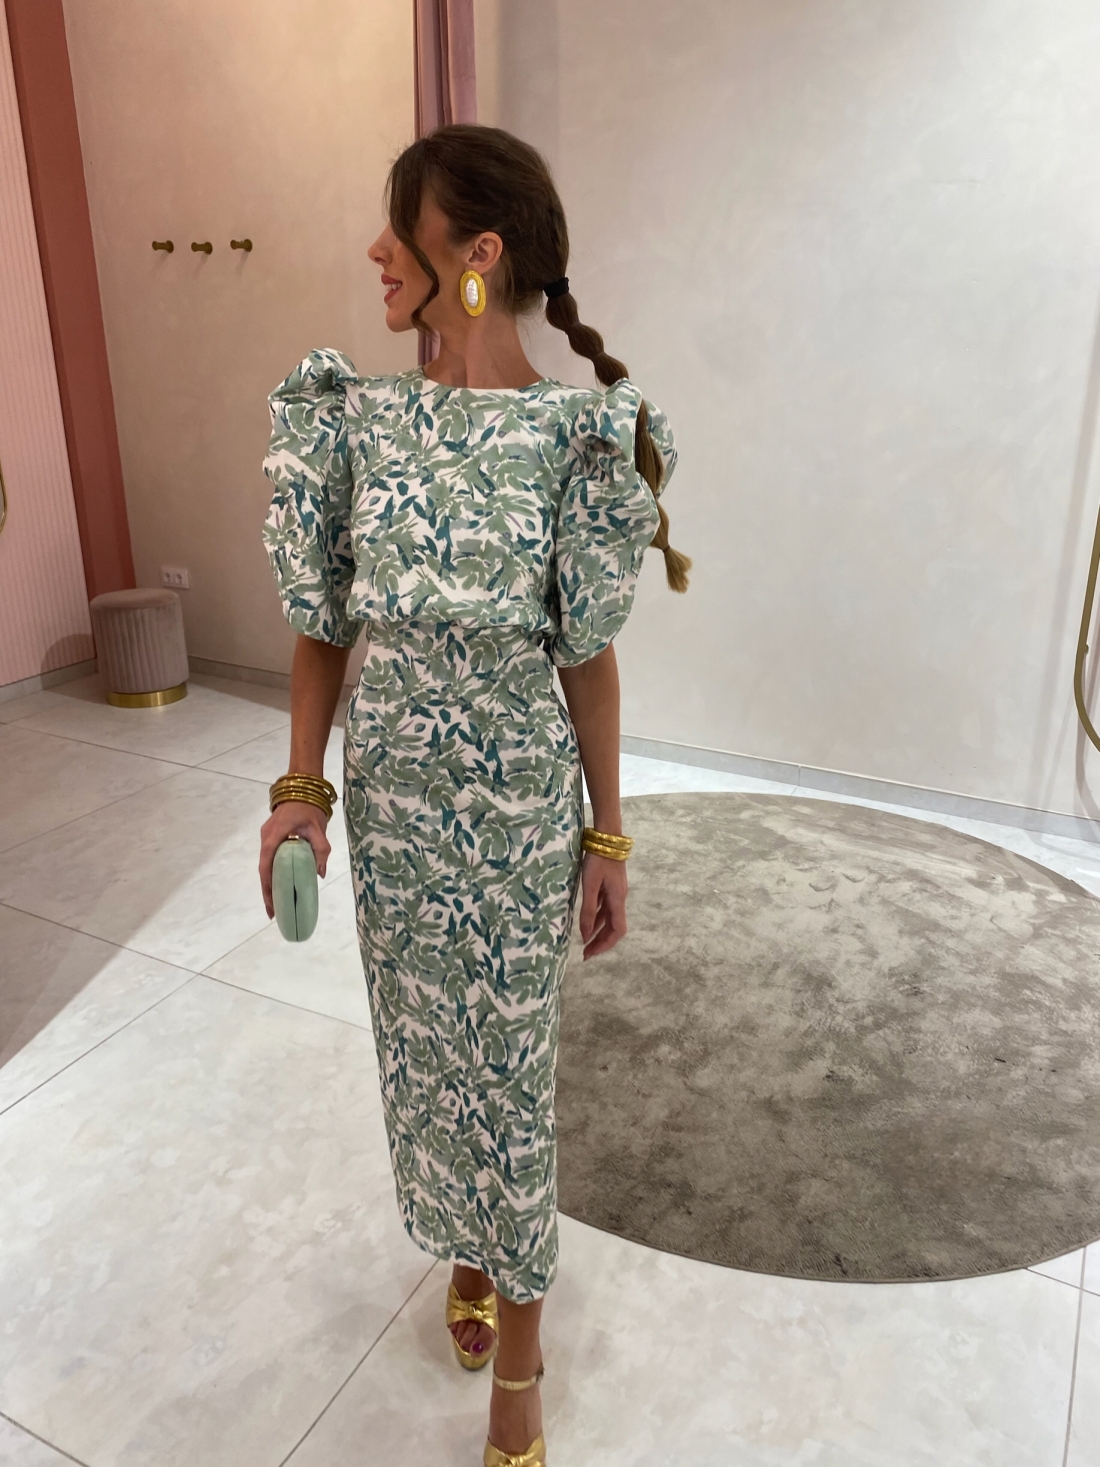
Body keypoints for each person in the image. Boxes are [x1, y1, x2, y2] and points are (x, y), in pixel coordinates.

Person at [257, 123, 687, 1467]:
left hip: (513, 824)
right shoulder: (362, 421)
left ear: (477, 255)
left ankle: (524, 1360)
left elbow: (588, 663)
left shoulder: (572, 437)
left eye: (402, 229)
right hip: (392, 816)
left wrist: (610, 833)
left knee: (508, 1073)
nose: (376, 253)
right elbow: (324, 625)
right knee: (426, 1058)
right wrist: (300, 790)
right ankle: (467, 1244)